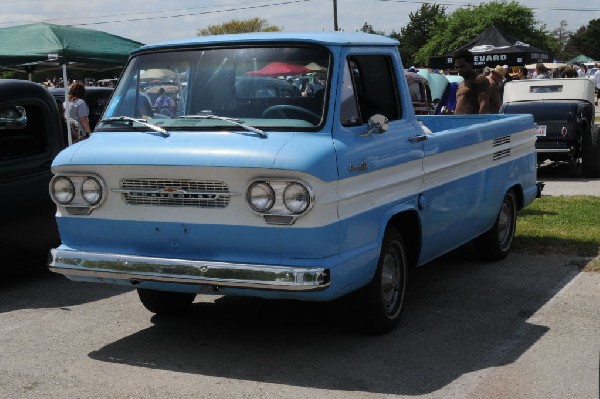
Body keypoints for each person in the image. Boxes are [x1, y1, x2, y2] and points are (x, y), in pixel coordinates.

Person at [453, 48, 490, 114]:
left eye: (462, 66)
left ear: (471, 64)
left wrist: (481, 123)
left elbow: (484, 105)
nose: (459, 69)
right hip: (460, 122)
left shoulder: (479, 79)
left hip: (474, 123)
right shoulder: (462, 83)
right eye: (457, 67)